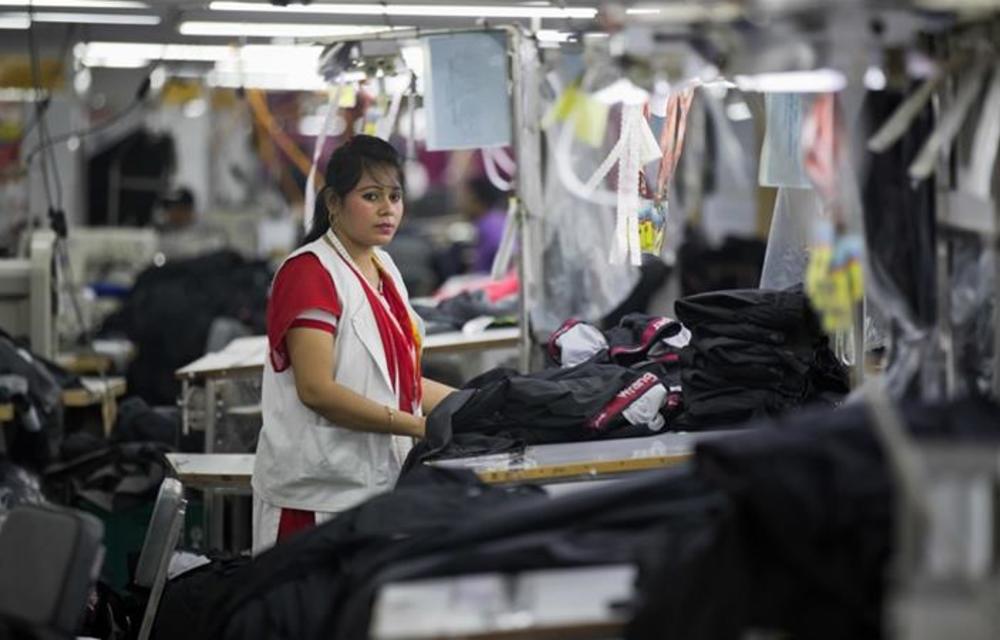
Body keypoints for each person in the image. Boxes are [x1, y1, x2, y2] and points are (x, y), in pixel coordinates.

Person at [251, 135, 456, 553]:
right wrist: (418, 426)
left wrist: (472, 405)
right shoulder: (310, 272)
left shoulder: (382, 266)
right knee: (310, 614)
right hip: (315, 501)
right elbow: (316, 390)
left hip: (374, 487)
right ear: (333, 202)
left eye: (395, 196)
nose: (388, 208)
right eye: (371, 195)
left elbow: (401, 382)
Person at [457, 175, 508, 273]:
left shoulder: (493, 225)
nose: (459, 203)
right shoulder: (484, 223)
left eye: (463, 197)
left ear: (474, 199)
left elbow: (510, 257)